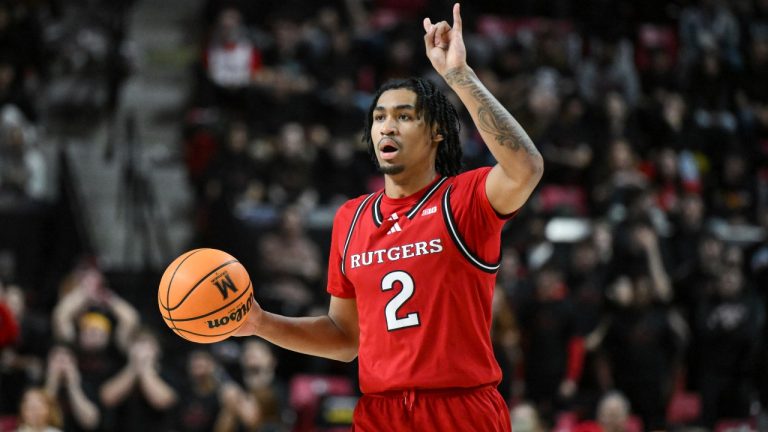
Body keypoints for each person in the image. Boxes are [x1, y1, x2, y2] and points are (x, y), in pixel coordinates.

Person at [235, 4, 544, 430]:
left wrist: (458, 76)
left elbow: (526, 167)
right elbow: (345, 340)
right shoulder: (352, 216)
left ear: (436, 131)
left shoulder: (463, 199)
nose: (387, 127)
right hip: (381, 414)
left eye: (403, 116)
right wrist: (260, 323)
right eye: (379, 117)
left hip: (460, 410)